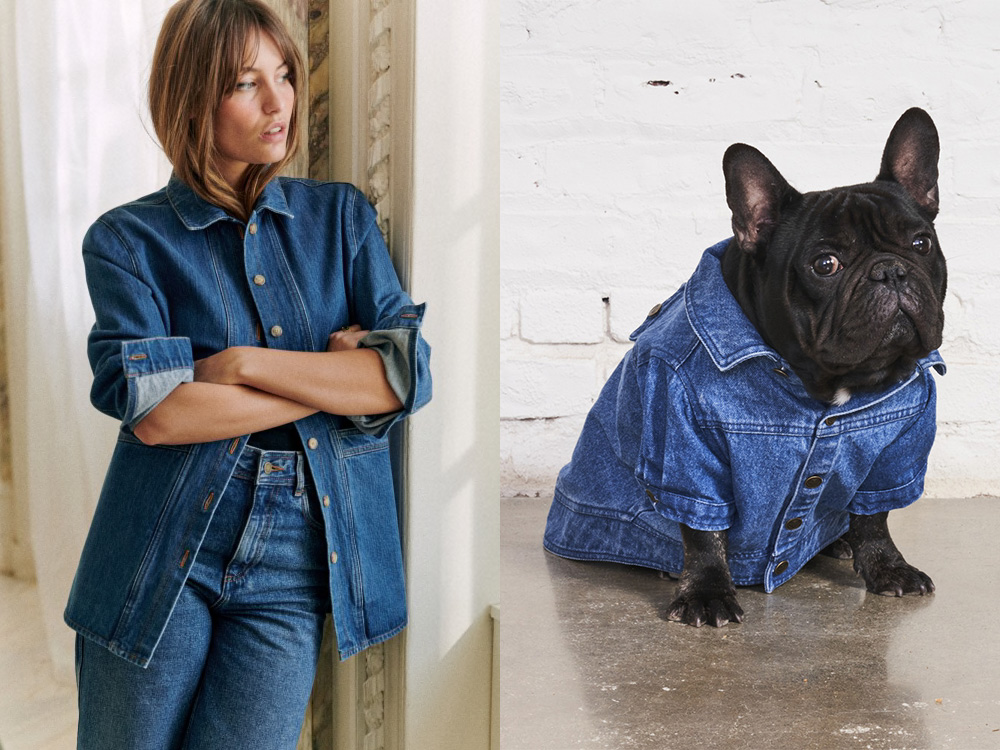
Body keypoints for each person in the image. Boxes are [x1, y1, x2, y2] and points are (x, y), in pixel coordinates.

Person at [63, 0, 431, 747]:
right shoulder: (127, 242)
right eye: (245, 83)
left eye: (286, 74)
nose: (279, 102)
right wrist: (322, 383)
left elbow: (398, 380)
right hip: (157, 549)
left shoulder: (341, 220)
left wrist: (238, 367)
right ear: (193, 96)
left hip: (295, 562)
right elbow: (159, 415)